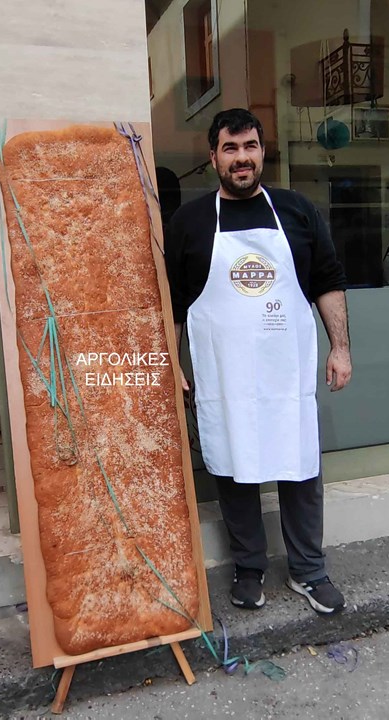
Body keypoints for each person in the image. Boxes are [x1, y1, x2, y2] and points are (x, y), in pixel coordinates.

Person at [164, 108, 352, 615]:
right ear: (213, 157)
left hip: (285, 371)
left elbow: (328, 282)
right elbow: (174, 304)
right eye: (230, 148)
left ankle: (308, 570)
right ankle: (249, 568)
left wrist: (340, 348)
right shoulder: (190, 222)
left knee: (300, 467)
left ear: (262, 152)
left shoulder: (297, 211)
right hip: (224, 375)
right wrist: (171, 363)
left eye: (249, 146)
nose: (241, 158)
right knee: (233, 466)